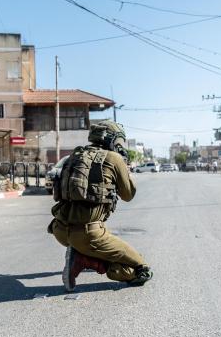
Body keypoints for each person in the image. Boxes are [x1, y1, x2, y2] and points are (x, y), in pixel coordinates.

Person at [49, 120, 152, 291]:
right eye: (120, 141)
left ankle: (81, 254)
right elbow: (128, 195)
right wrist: (123, 167)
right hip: (88, 234)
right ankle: (85, 260)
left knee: (96, 237)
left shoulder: (75, 156)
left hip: (60, 229)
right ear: (112, 140)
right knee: (141, 271)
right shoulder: (113, 157)